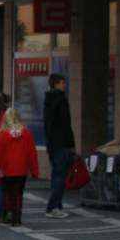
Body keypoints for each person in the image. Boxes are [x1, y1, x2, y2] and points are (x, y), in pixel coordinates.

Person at [0, 105, 39, 226]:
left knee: (8, 194)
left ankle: (9, 213)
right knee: (18, 194)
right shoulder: (26, 133)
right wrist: (34, 170)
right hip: (21, 169)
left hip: (7, 169)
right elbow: (31, 153)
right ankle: (17, 217)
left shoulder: (3, 134)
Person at [43, 72, 77, 218]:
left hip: (52, 144)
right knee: (60, 176)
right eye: (62, 83)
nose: (65, 85)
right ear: (56, 84)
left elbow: (48, 124)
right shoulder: (61, 100)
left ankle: (56, 205)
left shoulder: (48, 100)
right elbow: (65, 125)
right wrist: (71, 144)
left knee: (56, 174)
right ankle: (53, 207)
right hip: (62, 143)